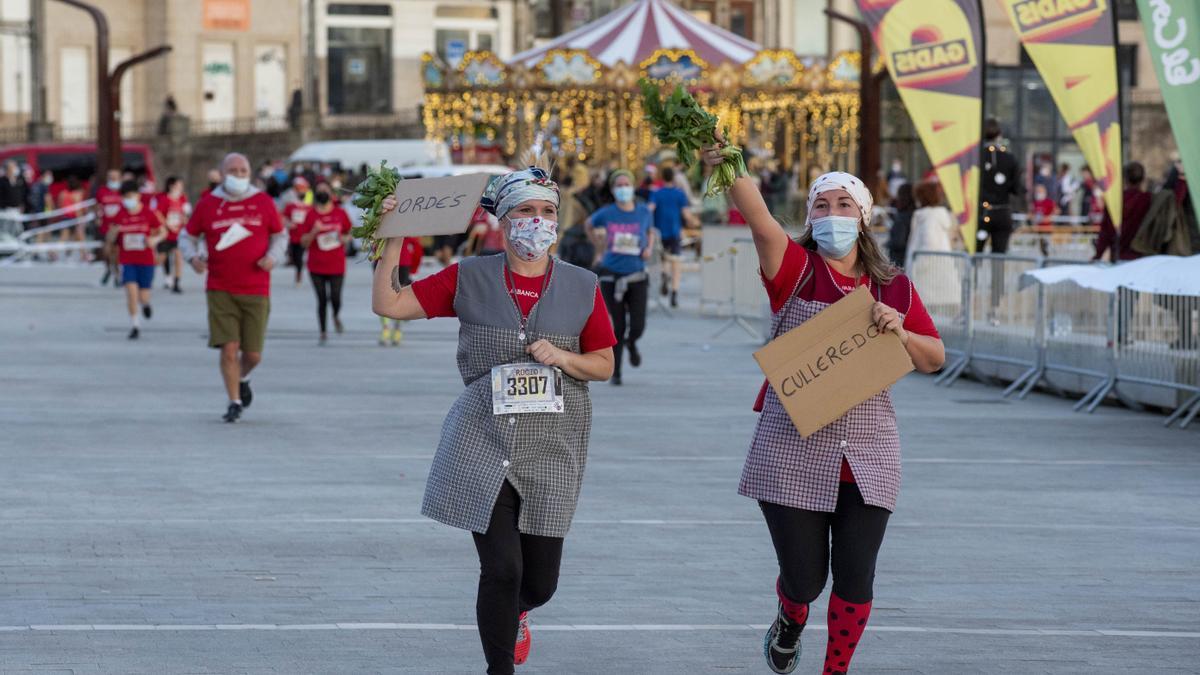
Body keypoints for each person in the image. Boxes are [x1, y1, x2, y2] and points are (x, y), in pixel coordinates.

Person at [703, 139, 945, 675]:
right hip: (792, 446)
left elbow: (934, 358)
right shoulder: (795, 270)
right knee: (806, 579)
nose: (832, 214)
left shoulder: (894, 287)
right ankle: (791, 615)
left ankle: (835, 670)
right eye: (821, 205)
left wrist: (900, 330)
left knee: (857, 574)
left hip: (867, 451)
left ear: (863, 217)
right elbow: (761, 219)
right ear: (809, 217)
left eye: (843, 205)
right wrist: (731, 166)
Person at [370, 166, 616, 675]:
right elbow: (388, 303)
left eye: (547, 212)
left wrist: (565, 359)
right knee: (502, 568)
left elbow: (604, 364)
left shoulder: (582, 285)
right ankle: (497, 668)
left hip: (552, 446)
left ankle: (519, 613)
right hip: (482, 439)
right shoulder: (469, 276)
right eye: (526, 211)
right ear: (504, 221)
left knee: (539, 583)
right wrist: (391, 238)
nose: (538, 222)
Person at [179, 152, 287, 423]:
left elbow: (280, 234)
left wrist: (273, 257)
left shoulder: (262, 202)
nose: (238, 175)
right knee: (229, 348)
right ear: (222, 173)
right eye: (233, 170)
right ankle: (234, 401)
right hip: (220, 287)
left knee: (252, 354)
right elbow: (186, 236)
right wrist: (192, 258)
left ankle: (243, 377)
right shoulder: (208, 204)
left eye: (243, 170)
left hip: (256, 287)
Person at [587, 169, 655, 385]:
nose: (623, 188)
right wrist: (598, 248)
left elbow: (650, 231)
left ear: (633, 187)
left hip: (637, 274)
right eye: (619, 185)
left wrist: (649, 248)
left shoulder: (644, 212)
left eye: (626, 184)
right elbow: (589, 224)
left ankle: (632, 343)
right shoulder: (607, 213)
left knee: (637, 325)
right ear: (614, 189)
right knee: (616, 326)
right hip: (611, 274)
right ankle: (616, 371)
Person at [105, 181, 165, 339]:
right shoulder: (120, 214)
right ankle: (135, 325)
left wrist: (154, 240)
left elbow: (163, 231)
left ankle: (146, 305)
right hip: (127, 260)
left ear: (138, 196)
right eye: (125, 197)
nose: (128, 200)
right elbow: (110, 238)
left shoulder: (149, 213)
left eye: (130, 196)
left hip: (146, 260)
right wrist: (113, 232)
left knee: (143, 296)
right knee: (131, 293)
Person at [298, 182, 353, 344]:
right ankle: (323, 332)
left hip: (336, 264)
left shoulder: (340, 213)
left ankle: (336, 315)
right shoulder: (310, 215)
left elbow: (351, 232)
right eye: (319, 190)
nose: (322, 192)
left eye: (325, 190)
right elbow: (303, 243)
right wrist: (314, 231)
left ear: (331, 193)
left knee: (335, 298)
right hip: (316, 265)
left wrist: (345, 238)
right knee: (321, 299)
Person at [649, 166, 694, 307]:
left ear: (662, 177)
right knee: (676, 262)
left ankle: (664, 275)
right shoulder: (679, 194)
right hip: (675, 232)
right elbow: (686, 214)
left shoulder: (656, 193)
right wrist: (693, 222)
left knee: (663, 259)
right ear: (673, 178)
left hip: (659, 232)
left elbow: (650, 209)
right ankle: (674, 292)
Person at [978, 118, 1023, 254]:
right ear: (999, 134)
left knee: (974, 254)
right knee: (999, 257)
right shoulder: (1009, 158)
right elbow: (1017, 189)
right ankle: (997, 276)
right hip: (1002, 212)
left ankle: (972, 276)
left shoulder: (975, 157)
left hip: (980, 212)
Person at [378, 237, 422, 346]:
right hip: (398, 261)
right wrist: (414, 268)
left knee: (387, 295)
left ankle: (389, 329)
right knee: (393, 295)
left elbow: (416, 246)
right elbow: (417, 247)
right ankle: (393, 330)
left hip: (395, 261)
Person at [156, 176, 191, 294]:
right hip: (166, 234)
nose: (180, 188)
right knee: (162, 257)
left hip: (178, 234)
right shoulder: (165, 199)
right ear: (171, 186)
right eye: (178, 185)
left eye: (181, 186)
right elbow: (158, 214)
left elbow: (186, 214)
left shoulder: (182, 199)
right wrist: (167, 225)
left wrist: (185, 221)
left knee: (178, 256)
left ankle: (177, 282)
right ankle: (167, 277)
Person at [281, 177, 313, 286]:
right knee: (294, 256)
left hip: (303, 236)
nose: (301, 192)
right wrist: (288, 223)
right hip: (292, 236)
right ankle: (296, 267)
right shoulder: (291, 206)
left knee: (299, 257)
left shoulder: (309, 208)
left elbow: (312, 220)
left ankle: (298, 276)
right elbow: (283, 217)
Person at [96, 169, 125, 285]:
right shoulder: (102, 191)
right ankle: (108, 269)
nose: (113, 179)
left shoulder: (123, 191)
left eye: (115, 177)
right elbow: (97, 206)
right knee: (106, 251)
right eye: (110, 177)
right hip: (105, 226)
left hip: (118, 226)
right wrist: (97, 217)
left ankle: (117, 275)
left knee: (116, 252)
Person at [886, 183, 914, 267]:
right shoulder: (915, 214)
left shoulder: (902, 217)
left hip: (899, 260)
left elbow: (898, 242)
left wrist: (888, 244)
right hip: (910, 260)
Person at [1029, 183, 1059, 256]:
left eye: (1040, 191)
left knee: (1047, 246)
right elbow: (1031, 213)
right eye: (1037, 191)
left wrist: (1048, 218)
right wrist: (1032, 218)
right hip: (1038, 229)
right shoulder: (1035, 203)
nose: (1038, 193)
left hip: (1047, 228)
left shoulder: (1049, 202)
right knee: (1041, 247)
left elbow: (1057, 211)